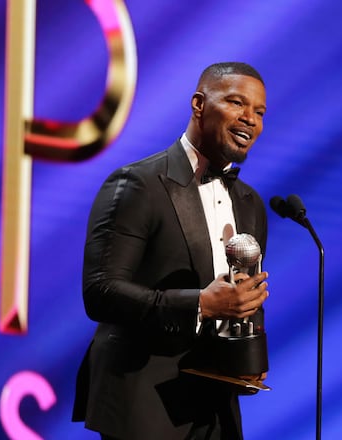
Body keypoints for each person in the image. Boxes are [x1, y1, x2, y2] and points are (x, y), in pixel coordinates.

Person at [72, 62, 271, 440]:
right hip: (143, 404)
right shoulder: (138, 184)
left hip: (215, 408)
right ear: (199, 104)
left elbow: (241, 298)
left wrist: (249, 353)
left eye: (259, 112)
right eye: (236, 103)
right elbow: (101, 292)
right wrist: (202, 304)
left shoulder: (250, 204)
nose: (250, 119)